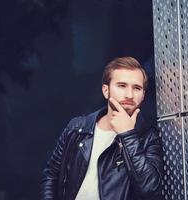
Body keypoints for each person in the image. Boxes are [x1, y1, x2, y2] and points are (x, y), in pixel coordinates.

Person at [42, 57, 163, 200]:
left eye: (137, 88)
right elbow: (51, 175)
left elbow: (150, 188)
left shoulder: (149, 137)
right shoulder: (78, 128)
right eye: (122, 85)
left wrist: (128, 135)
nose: (129, 95)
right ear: (106, 91)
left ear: (143, 95)